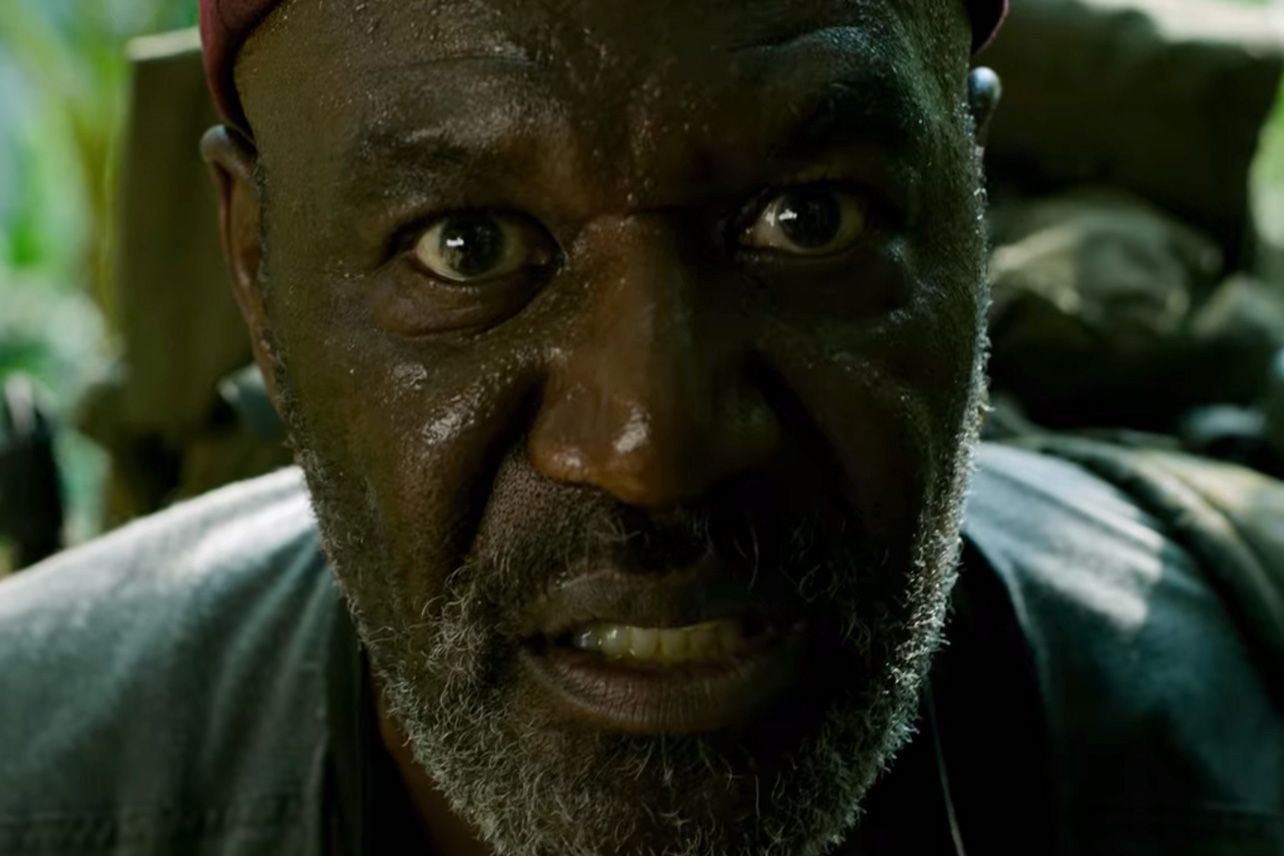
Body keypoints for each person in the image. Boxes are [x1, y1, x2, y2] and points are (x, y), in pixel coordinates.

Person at [1, 0, 1281, 853]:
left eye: (810, 220)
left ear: (970, 197)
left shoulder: (1248, 702)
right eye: (468, 245)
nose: (654, 447)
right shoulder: (36, 771)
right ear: (257, 267)